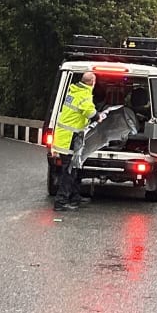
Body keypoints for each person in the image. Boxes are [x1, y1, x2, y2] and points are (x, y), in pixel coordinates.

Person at [51, 71, 103, 211]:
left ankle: (75, 197)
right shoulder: (84, 96)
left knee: (74, 168)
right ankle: (61, 202)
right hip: (69, 138)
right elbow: (90, 113)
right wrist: (99, 117)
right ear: (92, 82)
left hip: (64, 136)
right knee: (70, 171)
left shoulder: (73, 91)